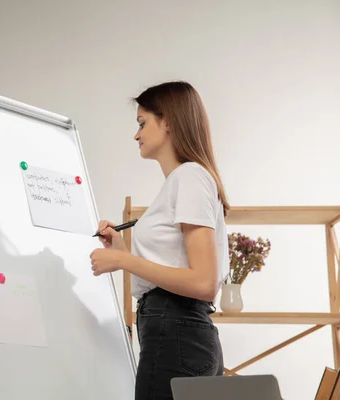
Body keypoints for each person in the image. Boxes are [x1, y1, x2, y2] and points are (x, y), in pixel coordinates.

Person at [90, 81, 229, 400]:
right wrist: (122, 250)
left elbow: (204, 282)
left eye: (142, 123)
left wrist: (124, 261)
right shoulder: (183, 181)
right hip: (182, 333)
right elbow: (174, 271)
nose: (136, 134)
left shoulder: (190, 177)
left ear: (167, 120)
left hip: (176, 331)